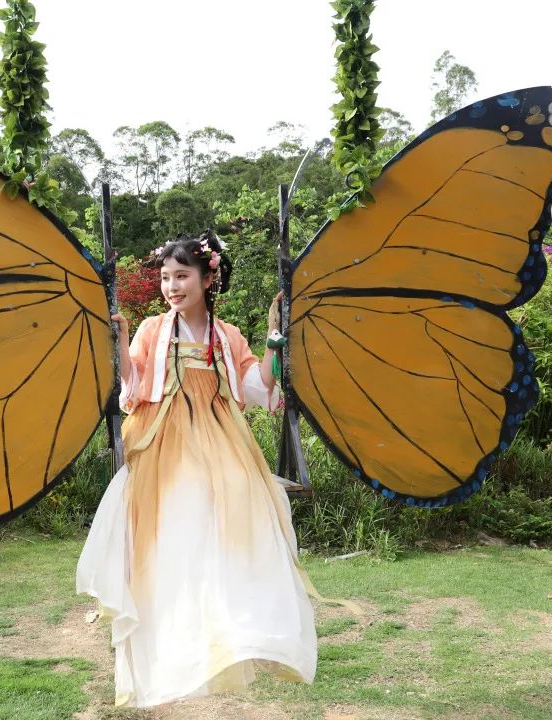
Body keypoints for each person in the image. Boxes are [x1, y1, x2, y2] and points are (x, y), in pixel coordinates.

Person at [76, 230, 320, 709]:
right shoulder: (152, 329)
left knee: (228, 518)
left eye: (182, 276)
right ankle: (173, 631)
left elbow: (254, 387)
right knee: (176, 533)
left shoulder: (226, 335)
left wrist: (275, 343)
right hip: (164, 440)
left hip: (218, 439)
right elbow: (133, 380)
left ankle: (230, 622)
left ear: (208, 279)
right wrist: (123, 342)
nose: (171, 286)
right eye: (166, 277)